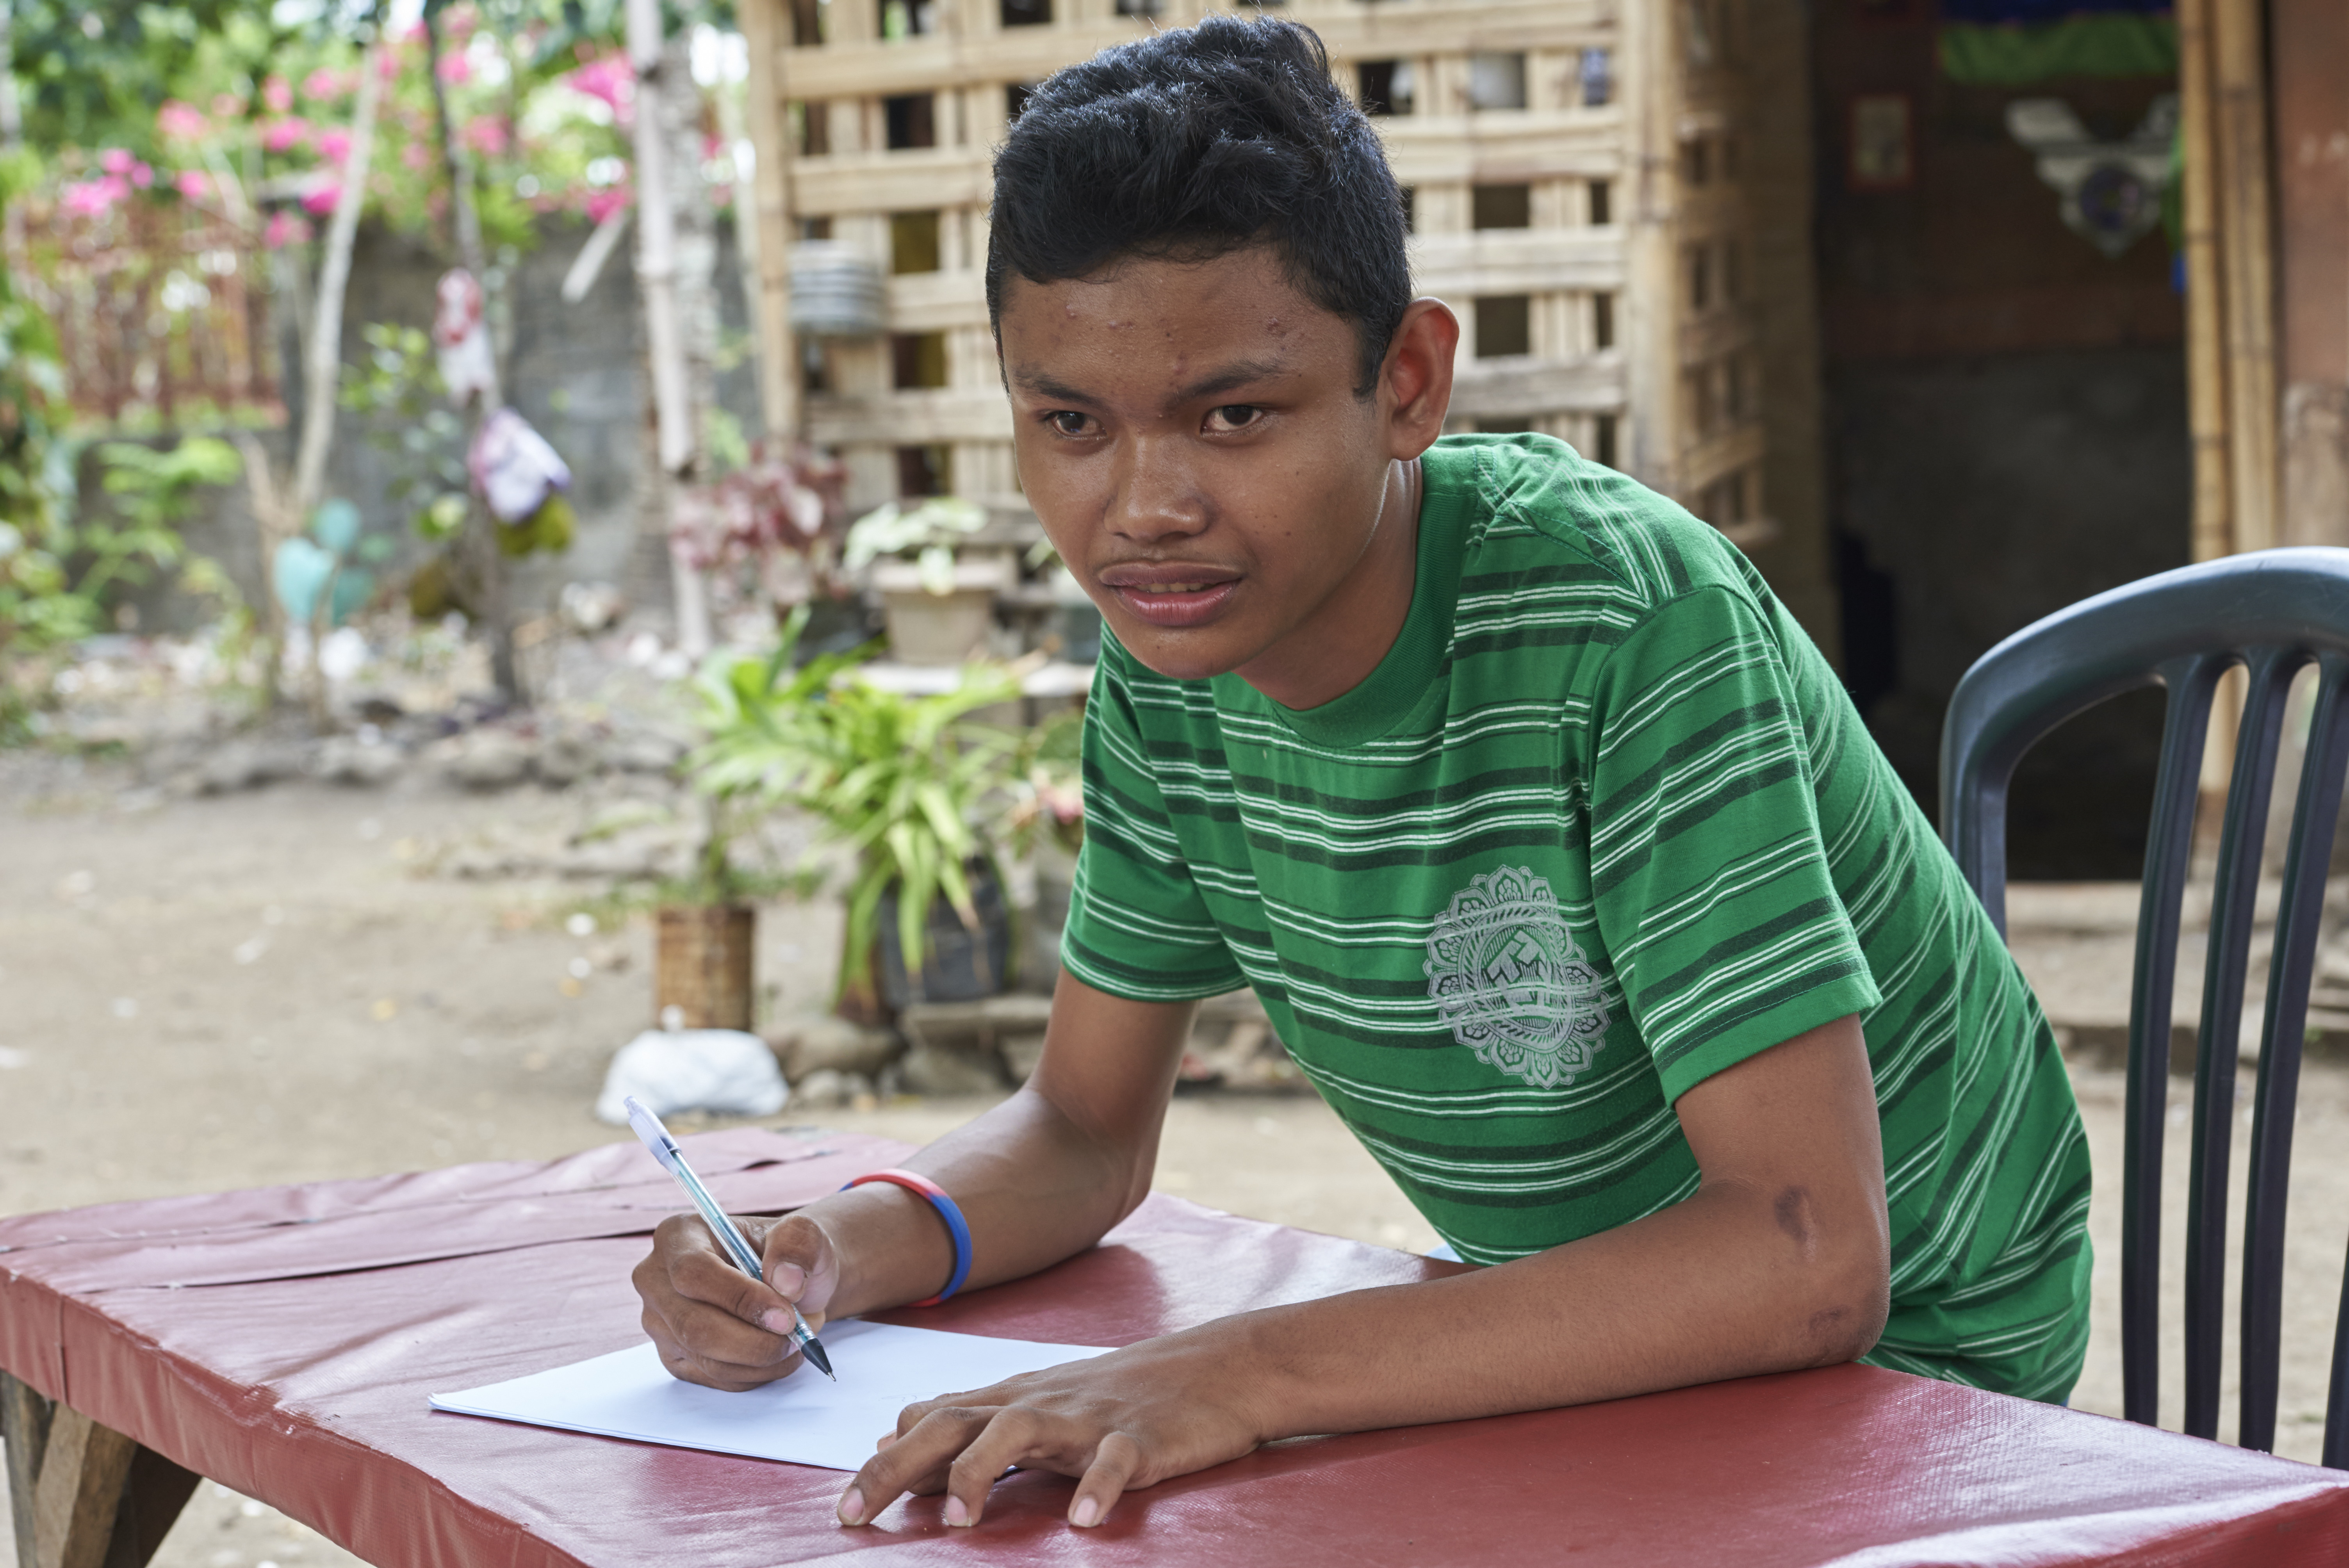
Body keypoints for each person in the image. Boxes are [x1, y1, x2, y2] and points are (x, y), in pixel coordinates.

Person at [631, 14, 2092, 1533]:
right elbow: (1079, 1127)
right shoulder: (1171, 674)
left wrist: (1241, 1369)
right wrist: (827, 1250)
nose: (1146, 506)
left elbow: (1805, 1259)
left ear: (1405, 380)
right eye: (1070, 421)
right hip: (1588, 1341)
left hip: (1911, 1383)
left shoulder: (1629, 625)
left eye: (1234, 415)